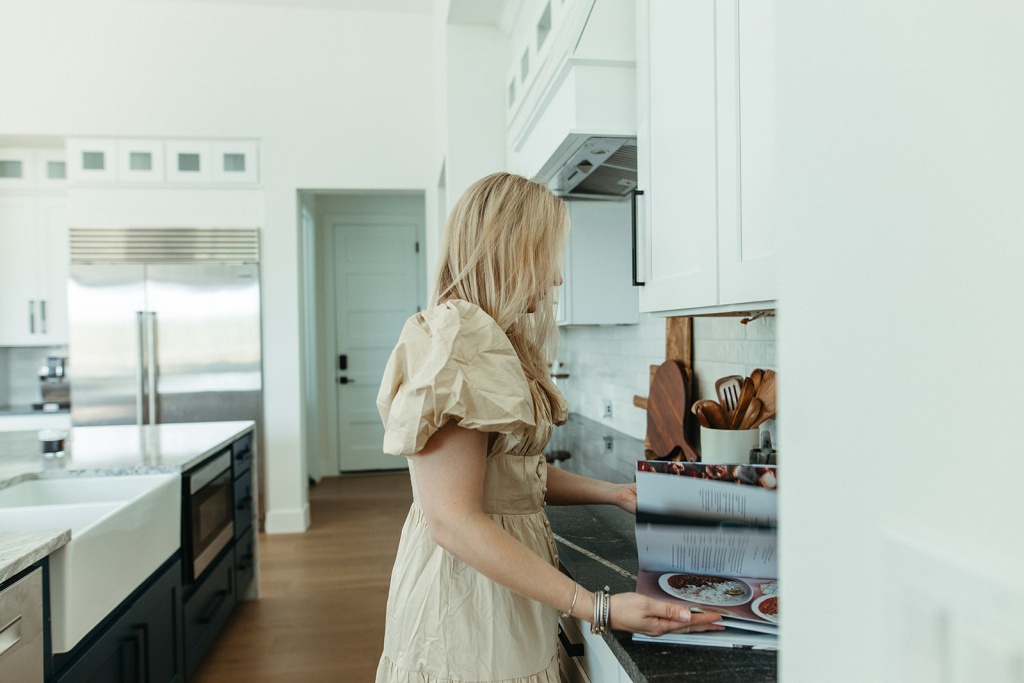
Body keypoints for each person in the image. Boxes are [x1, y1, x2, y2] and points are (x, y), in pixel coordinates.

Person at [375, 172, 723, 682]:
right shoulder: (455, 340)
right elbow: (453, 521)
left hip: (504, 589)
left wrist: (614, 493)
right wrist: (598, 606)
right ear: (509, 251)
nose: (557, 279)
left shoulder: (490, 337)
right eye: (547, 256)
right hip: (468, 603)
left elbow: (509, 476)